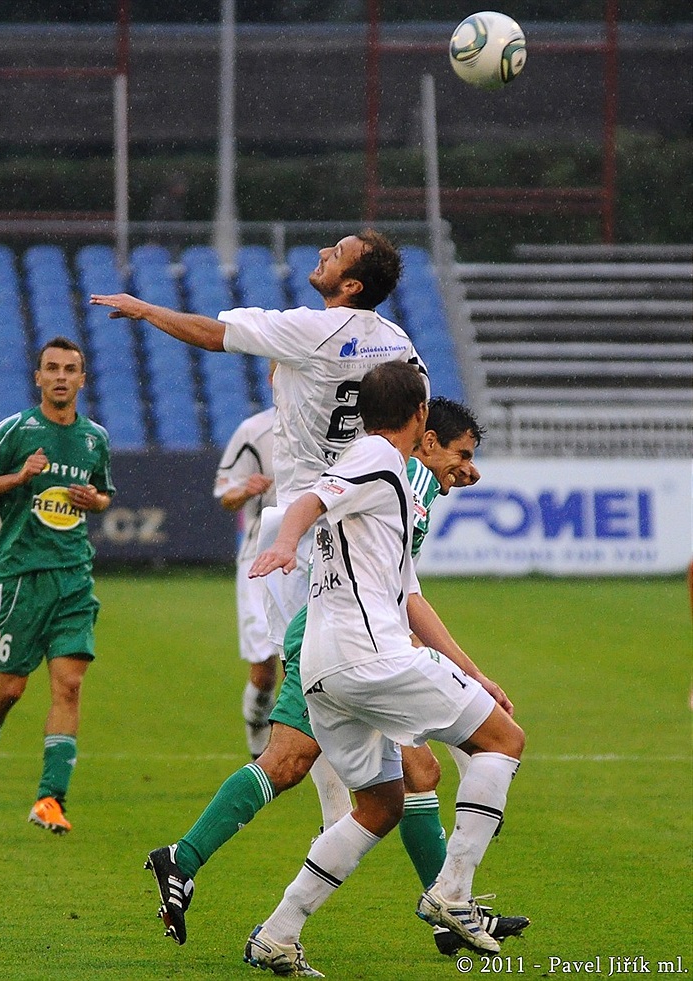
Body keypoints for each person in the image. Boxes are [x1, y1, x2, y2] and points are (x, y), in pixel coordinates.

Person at [141, 392, 527, 956]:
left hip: (337, 634)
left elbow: (398, 588)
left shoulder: (396, 476)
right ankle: (449, 902)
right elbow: (366, 566)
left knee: (387, 785)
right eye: (463, 455)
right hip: (347, 639)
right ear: (425, 435)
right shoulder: (403, 474)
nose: (470, 471)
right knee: (312, 765)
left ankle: (426, 912)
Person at [91, 229, 427, 828]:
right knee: (377, 660)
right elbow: (418, 409)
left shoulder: (311, 329)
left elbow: (213, 334)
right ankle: (404, 804)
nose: (322, 253)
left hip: (305, 524)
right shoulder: (397, 341)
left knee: (311, 680)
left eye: (336, 254)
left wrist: (144, 309)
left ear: (351, 284)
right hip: (365, 519)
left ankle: (340, 813)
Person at [243, 362, 525, 975]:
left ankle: (277, 933)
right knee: (503, 740)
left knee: (380, 804)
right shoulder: (376, 457)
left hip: (325, 667)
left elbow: (408, 594)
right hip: (368, 656)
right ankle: (453, 893)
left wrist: (474, 675)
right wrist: (285, 543)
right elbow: (310, 502)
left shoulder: (384, 475)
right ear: (421, 416)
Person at [0, 336, 115, 834]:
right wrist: (20, 477)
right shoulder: (14, 431)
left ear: (82, 379)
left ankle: (49, 799)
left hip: (73, 577)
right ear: (38, 377)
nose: (61, 376)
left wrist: (94, 501)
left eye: (70, 369)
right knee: (9, 689)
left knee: (70, 685)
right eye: (52, 368)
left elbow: (104, 494)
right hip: (21, 575)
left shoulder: (94, 438)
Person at [214, 386, 278, 758]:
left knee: (309, 668)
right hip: (260, 560)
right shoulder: (254, 431)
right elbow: (226, 496)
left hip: (315, 558)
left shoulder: (332, 427)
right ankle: (257, 738)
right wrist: (245, 490)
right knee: (265, 670)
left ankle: (313, 762)